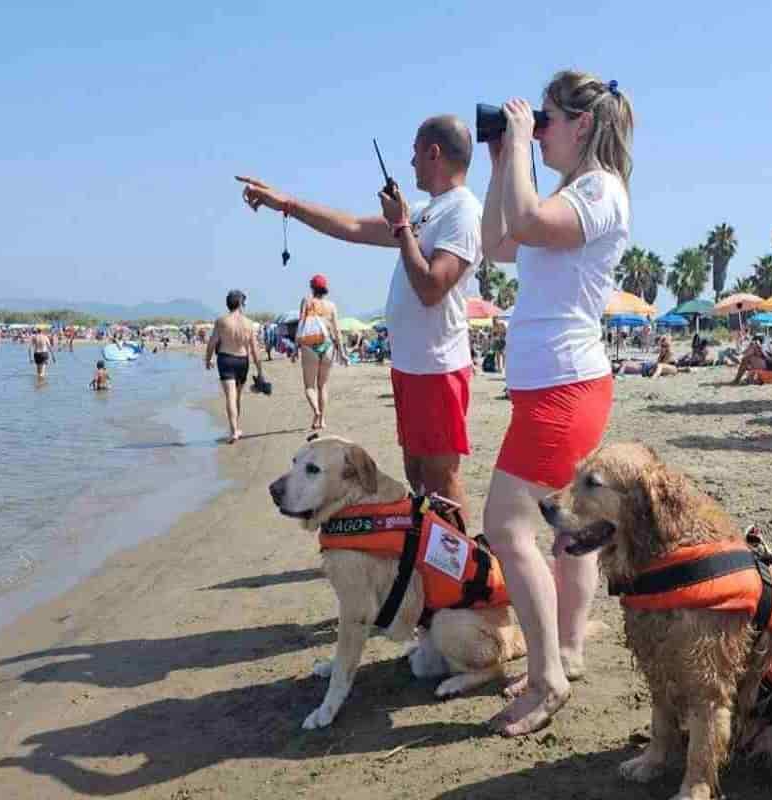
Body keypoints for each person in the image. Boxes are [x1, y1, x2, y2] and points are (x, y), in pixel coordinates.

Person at [481, 70, 633, 735]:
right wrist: (500, 158)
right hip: (554, 388)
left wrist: (518, 147)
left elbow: (527, 218)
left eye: (545, 121)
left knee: (509, 527)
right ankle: (565, 651)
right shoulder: (574, 192)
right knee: (570, 534)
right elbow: (497, 242)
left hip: (564, 390)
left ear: (583, 125)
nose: (537, 132)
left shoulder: (601, 190)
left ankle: (546, 679)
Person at [238, 114, 482, 512]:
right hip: (410, 366)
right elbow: (350, 226)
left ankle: (455, 563)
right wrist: (287, 203)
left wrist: (402, 225)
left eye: (415, 153)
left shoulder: (463, 212)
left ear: (433, 153)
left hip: (437, 368)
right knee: (417, 473)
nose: (410, 163)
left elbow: (432, 288)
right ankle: (429, 555)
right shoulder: (428, 210)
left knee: (441, 478)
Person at [205, 290, 264, 443]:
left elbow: (212, 342)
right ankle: (236, 427)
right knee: (237, 396)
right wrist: (259, 370)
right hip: (242, 361)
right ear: (239, 303)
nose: (244, 305)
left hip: (225, 360)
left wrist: (208, 359)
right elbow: (255, 349)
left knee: (230, 396)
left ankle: (233, 431)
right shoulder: (249, 323)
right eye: (243, 303)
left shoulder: (221, 321)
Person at [297, 274, 347, 431]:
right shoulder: (331, 306)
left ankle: (316, 412)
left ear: (312, 287)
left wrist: (294, 347)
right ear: (325, 288)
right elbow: (337, 330)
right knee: (323, 385)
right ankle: (322, 420)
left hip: (309, 345)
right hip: (327, 345)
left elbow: (301, 324)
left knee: (309, 386)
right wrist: (342, 352)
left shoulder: (306, 301)